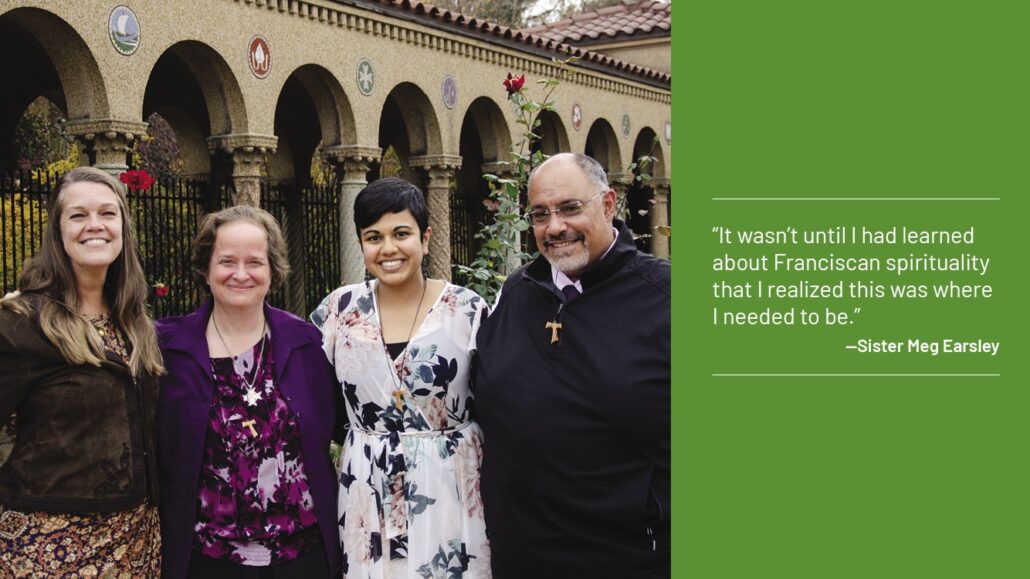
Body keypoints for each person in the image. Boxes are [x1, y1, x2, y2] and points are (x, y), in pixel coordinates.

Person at [473, 153, 671, 578]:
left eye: (569, 208)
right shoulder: (517, 293)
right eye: (540, 214)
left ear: (608, 204)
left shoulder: (665, 298)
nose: (555, 227)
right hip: (522, 556)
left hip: (629, 558)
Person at [310, 177, 491, 578]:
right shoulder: (339, 311)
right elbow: (311, 392)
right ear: (360, 244)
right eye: (373, 236)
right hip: (367, 484)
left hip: (449, 483)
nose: (388, 248)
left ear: (425, 239)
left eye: (401, 233)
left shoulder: (465, 309)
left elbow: (497, 397)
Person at [156, 205, 341, 578]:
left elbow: (335, 428)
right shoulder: (168, 349)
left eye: (255, 262)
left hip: (303, 557)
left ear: (273, 271)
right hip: (208, 558)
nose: (241, 274)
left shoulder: (305, 343)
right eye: (226, 261)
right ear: (206, 270)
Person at [0, 166, 165, 575]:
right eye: (78, 215)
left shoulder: (134, 322)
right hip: (47, 550)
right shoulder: (23, 321)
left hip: (136, 544)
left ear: (123, 227)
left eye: (108, 214)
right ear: (58, 231)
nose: (95, 225)